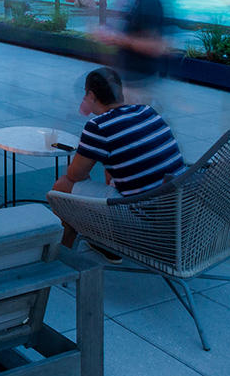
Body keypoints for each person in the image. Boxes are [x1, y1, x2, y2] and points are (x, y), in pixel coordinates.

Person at [49, 66, 186, 257]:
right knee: (110, 175)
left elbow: (74, 176)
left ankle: (63, 258)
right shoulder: (147, 111)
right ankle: (105, 243)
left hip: (145, 221)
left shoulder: (98, 126)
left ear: (91, 95)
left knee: (61, 188)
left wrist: (83, 153)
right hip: (175, 212)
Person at [94, 0, 169, 98]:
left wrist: (117, 39)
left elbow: (154, 46)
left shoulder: (151, 3)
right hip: (132, 75)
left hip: (139, 79)